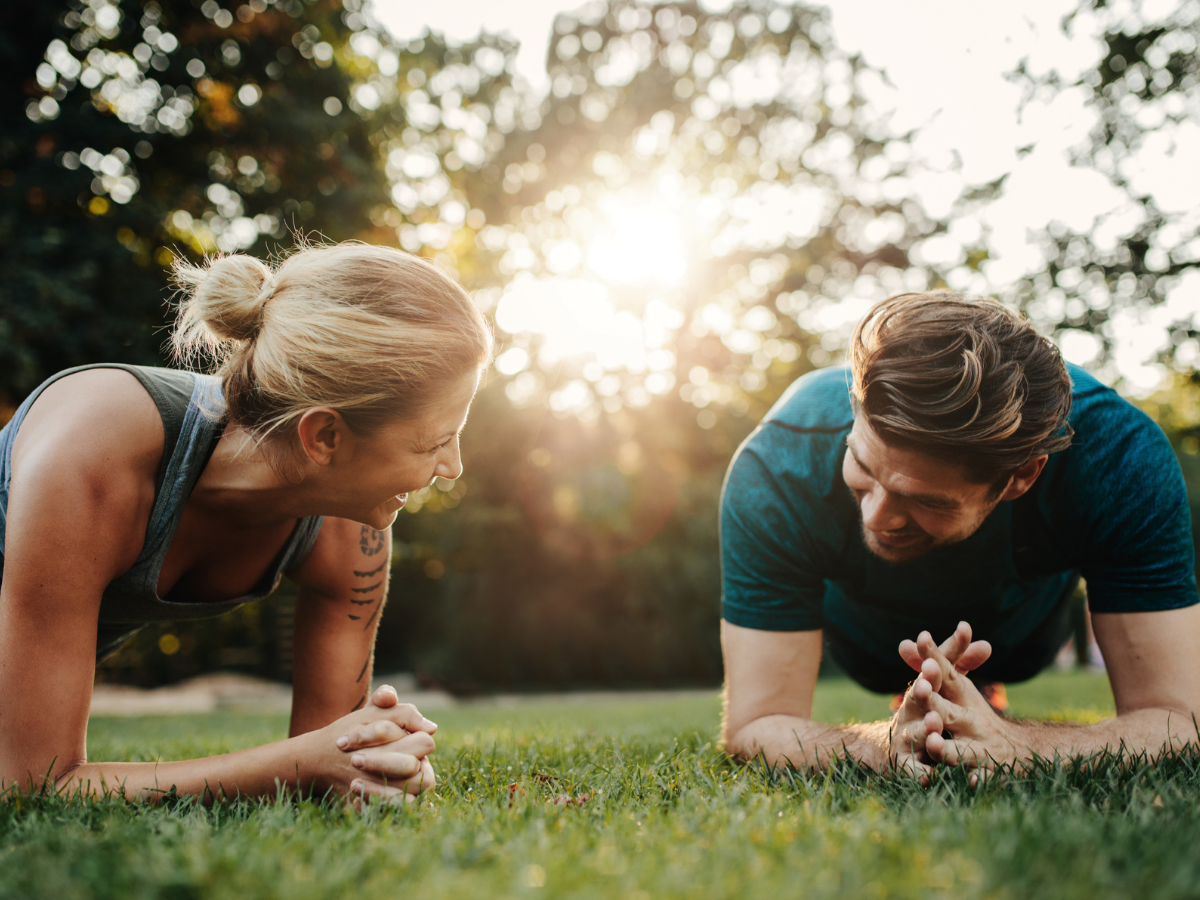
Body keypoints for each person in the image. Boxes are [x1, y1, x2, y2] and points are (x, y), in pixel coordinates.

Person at [0, 242, 492, 803]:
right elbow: (32, 782)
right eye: (433, 442)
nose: (453, 468)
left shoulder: (353, 532)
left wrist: (376, 763)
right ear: (324, 436)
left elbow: (335, 761)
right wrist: (294, 764)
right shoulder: (93, 453)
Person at [720, 291, 1200, 781]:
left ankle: (982, 685)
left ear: (1023, 476)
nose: (877, 516)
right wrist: (881, 746)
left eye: (925, 500)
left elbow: (1180, 720)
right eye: (861, 466)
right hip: (868, 644)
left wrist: (1020, 743)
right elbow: (754, 724)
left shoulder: (1120, 459)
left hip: (1019, 635)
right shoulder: (776, 466)